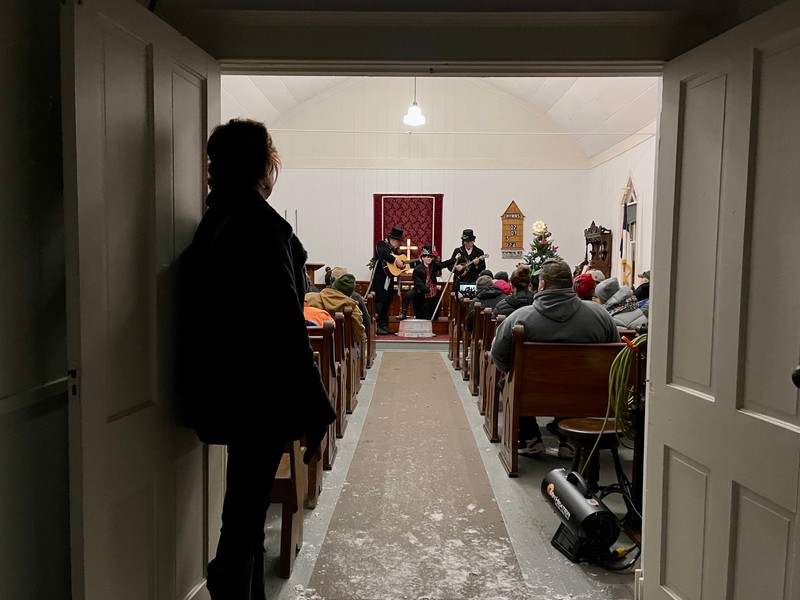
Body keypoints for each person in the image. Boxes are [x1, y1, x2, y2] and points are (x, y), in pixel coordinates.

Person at [178, 119, 336, 600]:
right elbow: (285, 326)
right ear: (264, 167)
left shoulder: (216, 219)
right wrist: (317, 407)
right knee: (243, 513)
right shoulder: (259, 227)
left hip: (222, 384)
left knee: (242, 513)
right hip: (258, 393)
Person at [490, 258, 619, 458]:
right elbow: (616, 357)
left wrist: (509, 371)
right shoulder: (600, 316)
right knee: (572, 382)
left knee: (506, 380)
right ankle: (568, 441)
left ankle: (530, 438)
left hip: (530, 393)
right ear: (570, 283)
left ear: (542, 284)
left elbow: (498, 355)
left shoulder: (519, 318)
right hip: (585, 394)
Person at [398, 246, 460, 321]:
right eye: (427, 257)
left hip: (432, 290)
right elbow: (418, 283)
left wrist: (455, 258)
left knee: (433, 305)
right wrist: (426, 289)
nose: (429, 259)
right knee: (408, 295)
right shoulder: (418, 269)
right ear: (423, 258)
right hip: (420, 290)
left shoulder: (434, 265)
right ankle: (403, 313)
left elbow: (444, 264)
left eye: (430, 257)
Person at [305, 272, 366, 348]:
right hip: (342, 349)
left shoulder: (309, 298)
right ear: (350, 293)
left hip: (311, 347)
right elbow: (358, 336)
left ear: (333, 286)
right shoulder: (353, 310)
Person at [368, 225, 407, 335]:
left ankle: (384, 325)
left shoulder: (393, 249)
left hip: (389, 279)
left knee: (387, 302)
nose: (398, 244)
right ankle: (378, 326)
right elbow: (383, 254)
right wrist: (395, 260)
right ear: (393, 239)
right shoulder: (381, 245)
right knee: (379, 302)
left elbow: (397, 264)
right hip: (380, 280)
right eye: (398, 241)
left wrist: (401, 266)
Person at [329, 266, 371, 330]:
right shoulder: (356, 297)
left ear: (331, 280)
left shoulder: (323, 295)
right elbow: (366, 320)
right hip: (352, 335)